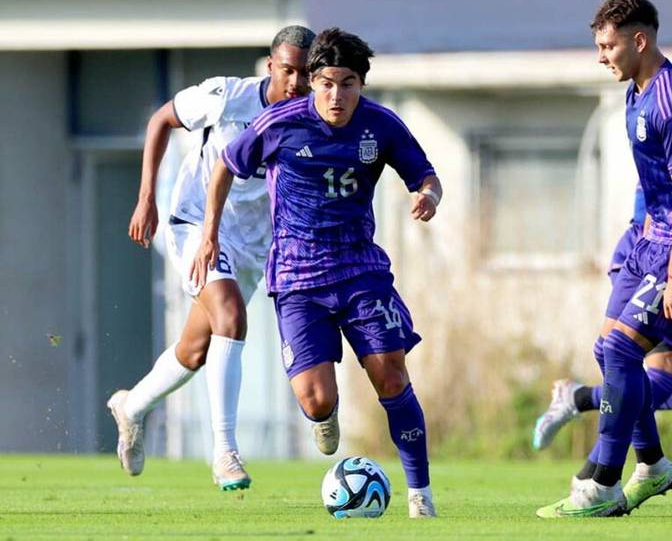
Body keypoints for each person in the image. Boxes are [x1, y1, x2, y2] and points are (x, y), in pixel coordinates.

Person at [192, 28, 443, 518]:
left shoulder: (381, 126)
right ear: (312, 81)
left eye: (347, 83)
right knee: (315, 398)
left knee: (391, 375)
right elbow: (224, 165)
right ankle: (323, 417)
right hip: (297, 275)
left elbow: (425, 174)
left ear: (361, 85)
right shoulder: (279, 123)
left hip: (359, 269)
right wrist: (209, 234)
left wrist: (428, 196)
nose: (336, 95)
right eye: (326, 83)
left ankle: (421, 495)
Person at [537, 0, 672, 518]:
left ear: (639, 40)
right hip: (648, 239)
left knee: (646, 363)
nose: (602, 55)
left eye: (608, 45)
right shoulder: (636, 92)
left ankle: (603, 481)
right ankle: (651, 463)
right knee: (610, 352)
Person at [107, 25, 316, 491]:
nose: (297, 83)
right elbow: (161, 119)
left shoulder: (315, 117)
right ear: (271, 67)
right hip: (196, 227)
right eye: (289, 71)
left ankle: (132, 406)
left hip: (252, 247)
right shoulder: (227, 97)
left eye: (306, 73)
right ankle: (224, 452)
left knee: (196, 349)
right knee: (230, 316)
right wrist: (147, 199)